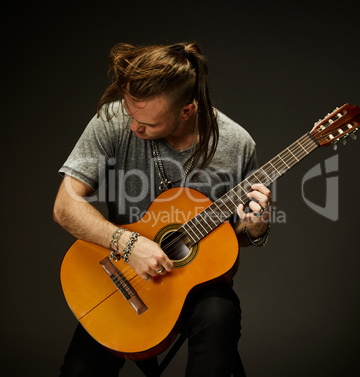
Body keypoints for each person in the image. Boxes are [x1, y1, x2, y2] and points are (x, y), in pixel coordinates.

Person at [53, 41, 272, 377]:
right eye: (131, 115)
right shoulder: (114, 120)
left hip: (195, 288)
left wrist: (254, 228)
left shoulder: (237, 144)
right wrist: (128, 244)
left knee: (220, 317)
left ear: (187, 110)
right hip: (122, 277)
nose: (133, 128)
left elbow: (230, 238)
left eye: (148, 125)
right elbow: (65, 206)